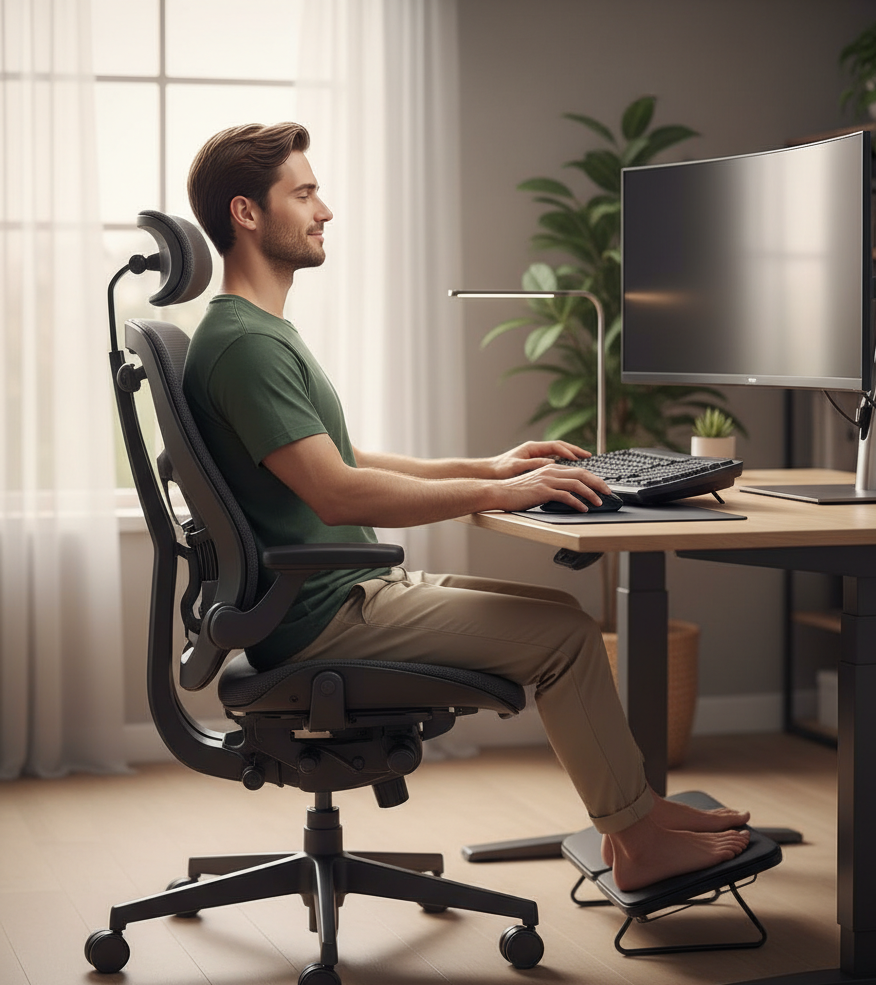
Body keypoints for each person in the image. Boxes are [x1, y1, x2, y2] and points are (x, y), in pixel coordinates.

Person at [182, 122, 750, 891]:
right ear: (247, 214)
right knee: (565, 636)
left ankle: (638, 814)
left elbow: (340, 459)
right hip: (324, 615)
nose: (326, 210)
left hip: (331, 598)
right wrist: (500, 492)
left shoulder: (250, 333)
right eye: (305, 192)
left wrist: (489, 464)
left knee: (558, 619)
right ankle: (638, 844)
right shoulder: (247, 344)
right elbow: (337, 491)